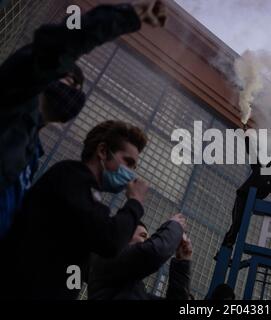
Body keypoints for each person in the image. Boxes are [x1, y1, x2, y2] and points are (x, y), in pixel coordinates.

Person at [0, 0, 168, 239]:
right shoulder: (11, 107)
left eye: (79, 88)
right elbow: (55, 49)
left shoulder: (32, 153)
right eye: (69, 80)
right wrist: (127, 16)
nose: (76, 90)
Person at [0, 120, 149, 300]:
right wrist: (135, 202)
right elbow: (110, 240)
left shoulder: (88, 194)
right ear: (102, 151)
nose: (132, 173)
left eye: (134, 167)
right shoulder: (72, 177)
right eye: (128, 162)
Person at [217, 127, 271, 257]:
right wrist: (247, 138)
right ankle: (225, 249)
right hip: (243, 197)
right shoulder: (259, 168)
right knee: (237, 223)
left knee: (240, 225)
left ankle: (227, 250)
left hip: (251, 203)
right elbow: (251, 152)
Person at [88, 217, 192, 300]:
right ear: (124, 236)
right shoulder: (106, 260)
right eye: (143, 235)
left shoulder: (137, 291)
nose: (148, 242)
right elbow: (154, 251)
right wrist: (174, 225)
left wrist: (181, 262)